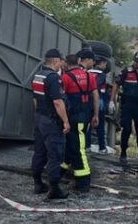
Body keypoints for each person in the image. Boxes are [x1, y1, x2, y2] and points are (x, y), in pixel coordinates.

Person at [31, 49, 70, 199]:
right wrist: (65, 121)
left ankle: (37, 183)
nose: (62, 63)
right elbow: (58, 102)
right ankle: (54, 189)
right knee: (56, 154)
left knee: (39, 152)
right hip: (52, 121)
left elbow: (35, 98)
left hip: (40, 117)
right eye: (61, 61)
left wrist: (40, 113)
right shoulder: (54, 78)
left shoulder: (38, 76)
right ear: (55, 61)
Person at [61, 54, 98, 192]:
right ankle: (60, 171)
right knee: (71, 146)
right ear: (78, 61)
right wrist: (96, 115)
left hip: (74, 117)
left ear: (66, 64)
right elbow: (95, 96)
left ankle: (83, 182)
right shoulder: (89, 76)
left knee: (79, 149)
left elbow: (60, 100)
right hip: (86, 116)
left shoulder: (65, 78)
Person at [109, 51, 138, 165]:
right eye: (135, 61)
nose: (136, 63)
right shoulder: (126, 71)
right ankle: (123, 152)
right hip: (127, 104)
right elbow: (116, 84)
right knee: (127, 129)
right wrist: (112, 101)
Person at [87, 56, 111, 154]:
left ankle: (87, 146)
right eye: (105, 64)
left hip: (87, 101)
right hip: (99, 101)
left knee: (88, 124)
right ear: (102, 63)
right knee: (100, 125)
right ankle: (102, 148)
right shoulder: (102, 74)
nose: (106, 66)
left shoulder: (87, 72)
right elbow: (97, 85)